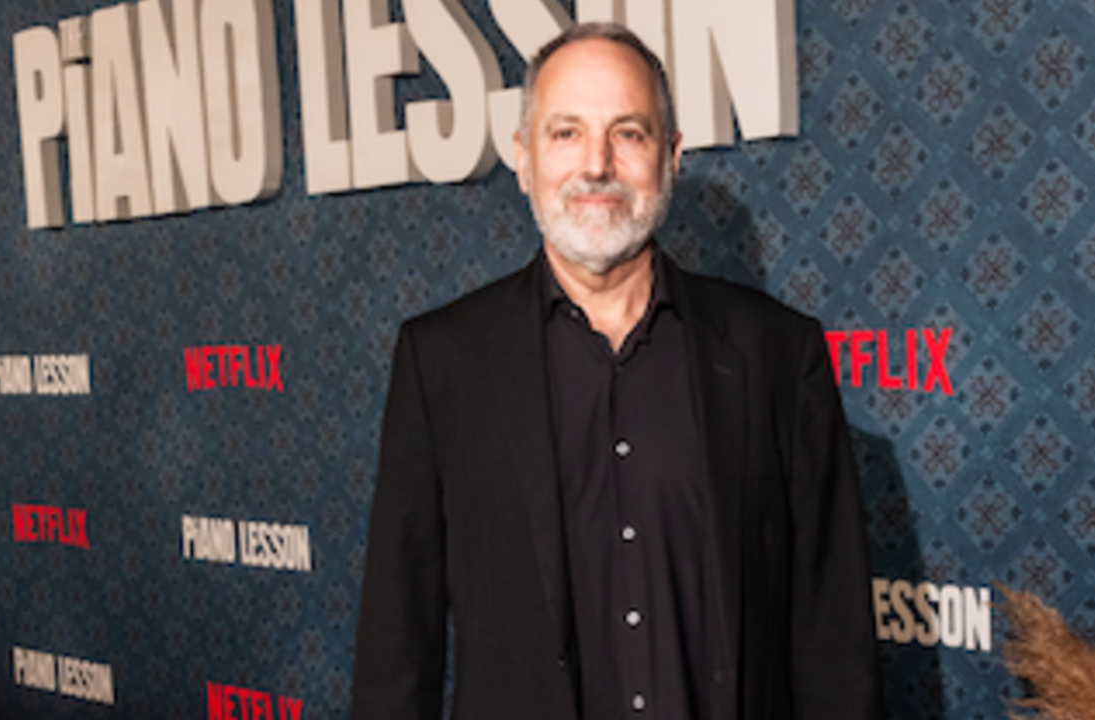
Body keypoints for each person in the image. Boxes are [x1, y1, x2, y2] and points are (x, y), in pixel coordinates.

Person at [349, 22, 882, 720]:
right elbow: (398, 644)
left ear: (672, 156)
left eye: (628, 133)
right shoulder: (442, 361)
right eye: (565, 132)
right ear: (523, 157)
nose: (596, 164)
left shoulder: (777, 353)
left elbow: (831, 632)